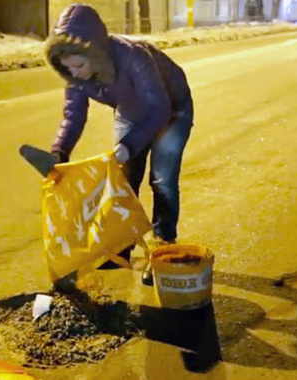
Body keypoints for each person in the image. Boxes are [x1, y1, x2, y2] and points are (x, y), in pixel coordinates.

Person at [46, 4, 193, 285]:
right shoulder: (75, 75)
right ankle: (122, 245)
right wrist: (59, 151)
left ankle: (162, 248)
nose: (75, 73)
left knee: (162, 180)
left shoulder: (133, 57)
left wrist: (130, 143)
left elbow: (159, 107)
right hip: (131, 110)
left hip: (172, 108)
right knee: (124, 179)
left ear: (96, 54)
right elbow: (73, 115)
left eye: (79, 65)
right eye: (68, 68)